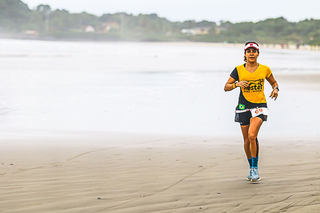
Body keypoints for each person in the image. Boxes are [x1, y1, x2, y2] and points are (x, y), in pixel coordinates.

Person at [224, 41, 279, 182]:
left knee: (252, 135)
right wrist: (237, 84)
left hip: (259, 105)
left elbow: (273, 82)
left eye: (254, 51)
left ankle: (255, 168)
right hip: (243, 106)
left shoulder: (265, 69)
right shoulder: (238, 70)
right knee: (246, 140)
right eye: (249, 51)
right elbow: (226, 87)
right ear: (245, 54)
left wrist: (275, 89)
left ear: (258, 54)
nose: (251, 53)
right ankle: (251, 167)